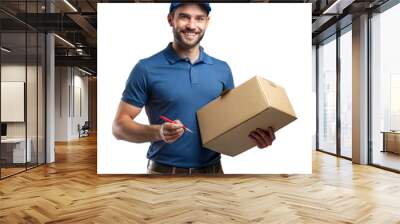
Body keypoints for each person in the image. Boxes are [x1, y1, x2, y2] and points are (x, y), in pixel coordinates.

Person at [112, 2, 276, 175]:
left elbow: (232, 122)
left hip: (214, 173)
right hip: (163, 175)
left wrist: (255, 137)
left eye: (199, 18)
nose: (192, 25)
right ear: (170, 19)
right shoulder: (146, 68)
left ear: (207, 22)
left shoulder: (222, 69)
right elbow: (119, 127)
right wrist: (158, 132)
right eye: (184, 17)